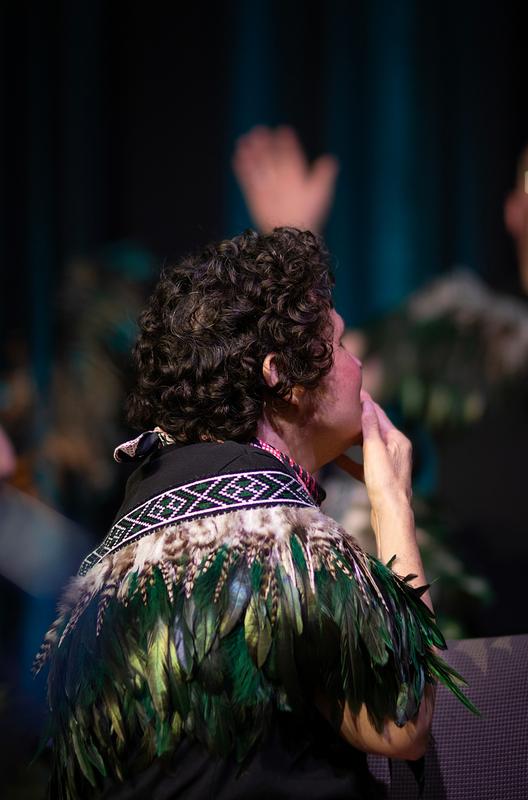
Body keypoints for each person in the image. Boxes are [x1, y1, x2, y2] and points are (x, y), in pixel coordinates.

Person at [34, 228, 473, 799]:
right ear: (279, 374)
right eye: (340, 343)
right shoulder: (275, 531)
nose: (357, 364)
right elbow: (400, 719)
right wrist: (392, 502)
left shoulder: (125, 535)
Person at [232, 124, 528, 636]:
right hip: (489, 635)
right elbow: (331, 371)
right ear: (513, 210)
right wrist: (292, 246)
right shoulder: (459, 324)